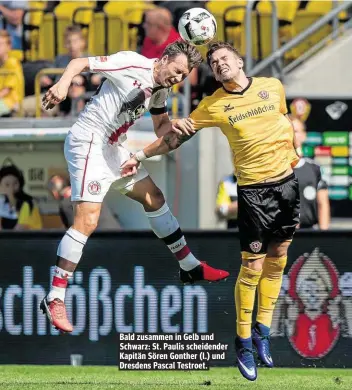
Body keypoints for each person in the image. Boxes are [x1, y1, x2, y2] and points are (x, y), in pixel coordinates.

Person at [120, 41, 300, 381]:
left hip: (288, 185)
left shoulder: (272, 87)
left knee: (279, 259)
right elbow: (174, 139)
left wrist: (295, 157)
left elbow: (285, 124)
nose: (219, 65)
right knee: (253, 267)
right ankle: (244, 342)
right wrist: (139, 156)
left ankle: (263, 330)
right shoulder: (213, 105)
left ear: (240, 60)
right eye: (214, 63)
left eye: (223, 59)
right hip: (254, 193)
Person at [39, 40, 229, 334]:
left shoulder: (162, 89)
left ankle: (190, 266)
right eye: (176, 70)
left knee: (154, 198)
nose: (177, 78)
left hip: (113, 147)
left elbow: (163, 131)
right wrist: (63, 85)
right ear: (164, 58)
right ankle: (55, 297)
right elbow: (80, 64)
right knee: (87, 220)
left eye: (183, 76)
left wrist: (179, 129)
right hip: (89, 140)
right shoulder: (131, 63)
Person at [291, 115, 330, 229]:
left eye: (296, 131)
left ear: (304, 135)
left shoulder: (314, 169)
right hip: (280, 237)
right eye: (288, 131)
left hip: (308, 233)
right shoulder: (273, 168)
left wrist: (324, 237)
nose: (292, 135)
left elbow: (323, 204)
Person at [48, 174, 121, 230]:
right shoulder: (91, 193)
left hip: (101, 241)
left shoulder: (66, 204)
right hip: (118, 237)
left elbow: (75, 232)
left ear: (55, 193)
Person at [0, 164, 42, 230]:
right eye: (7, 184)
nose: (11, 188)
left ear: (20, 184)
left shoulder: (28, 203)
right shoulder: (2, 203)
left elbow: (25, 227)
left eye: (15, 183)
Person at [0, 29, 24, 117]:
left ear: (9, 46)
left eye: (1, 44)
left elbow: (6, 90)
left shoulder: (12, 63)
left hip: (10, 102)